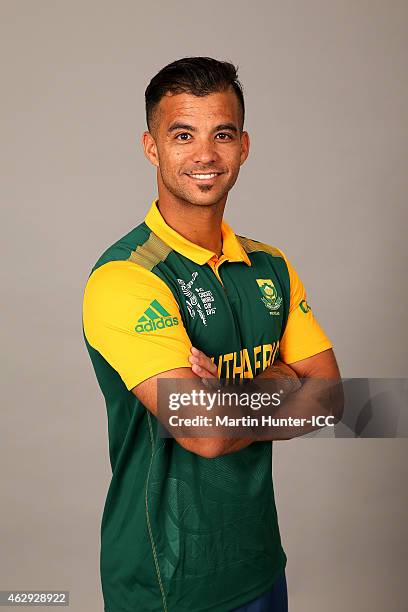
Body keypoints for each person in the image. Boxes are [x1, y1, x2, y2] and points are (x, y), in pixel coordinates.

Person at [82, 57, 343, 612]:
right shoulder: (126, 277)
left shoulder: (271, 266)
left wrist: (226, 396)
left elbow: (333, 399)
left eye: (221, 135)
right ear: (152, 147)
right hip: (166, 581)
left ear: (244, 147)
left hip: (261, 563)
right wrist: (280, 380)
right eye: (182, 135)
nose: (205, 154)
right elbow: (204, 435)